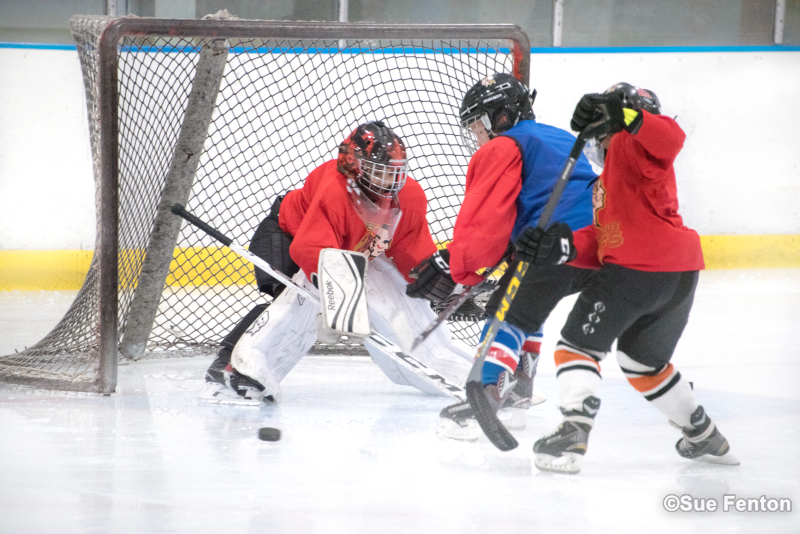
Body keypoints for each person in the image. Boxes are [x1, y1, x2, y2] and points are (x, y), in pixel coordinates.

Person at [517, 83, 738, 473]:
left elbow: (671, 137)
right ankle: (703, 433)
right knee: (642, 362)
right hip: (677, 272)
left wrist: (627, 117)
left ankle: (573, 432)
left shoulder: (633, 145)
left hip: (640, 269)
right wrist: (560, 246)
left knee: (575, 347)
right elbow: (606, 239)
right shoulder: (610, 181)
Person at [203, 121, 474, 404]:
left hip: (347, 252)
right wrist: (339, 303)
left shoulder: (409, 198)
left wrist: (441, 284)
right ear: (354, 166)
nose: (389, 180)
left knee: (334, 298)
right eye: (379, 171)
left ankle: (462, 372)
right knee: (295, 298)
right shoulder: (335, 188)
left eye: (394, 171)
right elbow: (310, 247)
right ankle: (230, 368)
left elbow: (411, 250)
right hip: (285, 234)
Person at [404, 73, 599, 440]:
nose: (477, 136)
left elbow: (486, 223)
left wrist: (455, 263)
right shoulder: (557, 137)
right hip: (592, 246)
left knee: (505, 311)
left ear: (502, 117)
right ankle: (519, 393)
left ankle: (486, 395)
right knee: (529, 305)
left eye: (478, 125)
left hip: (550, 242)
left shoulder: (504, 146)